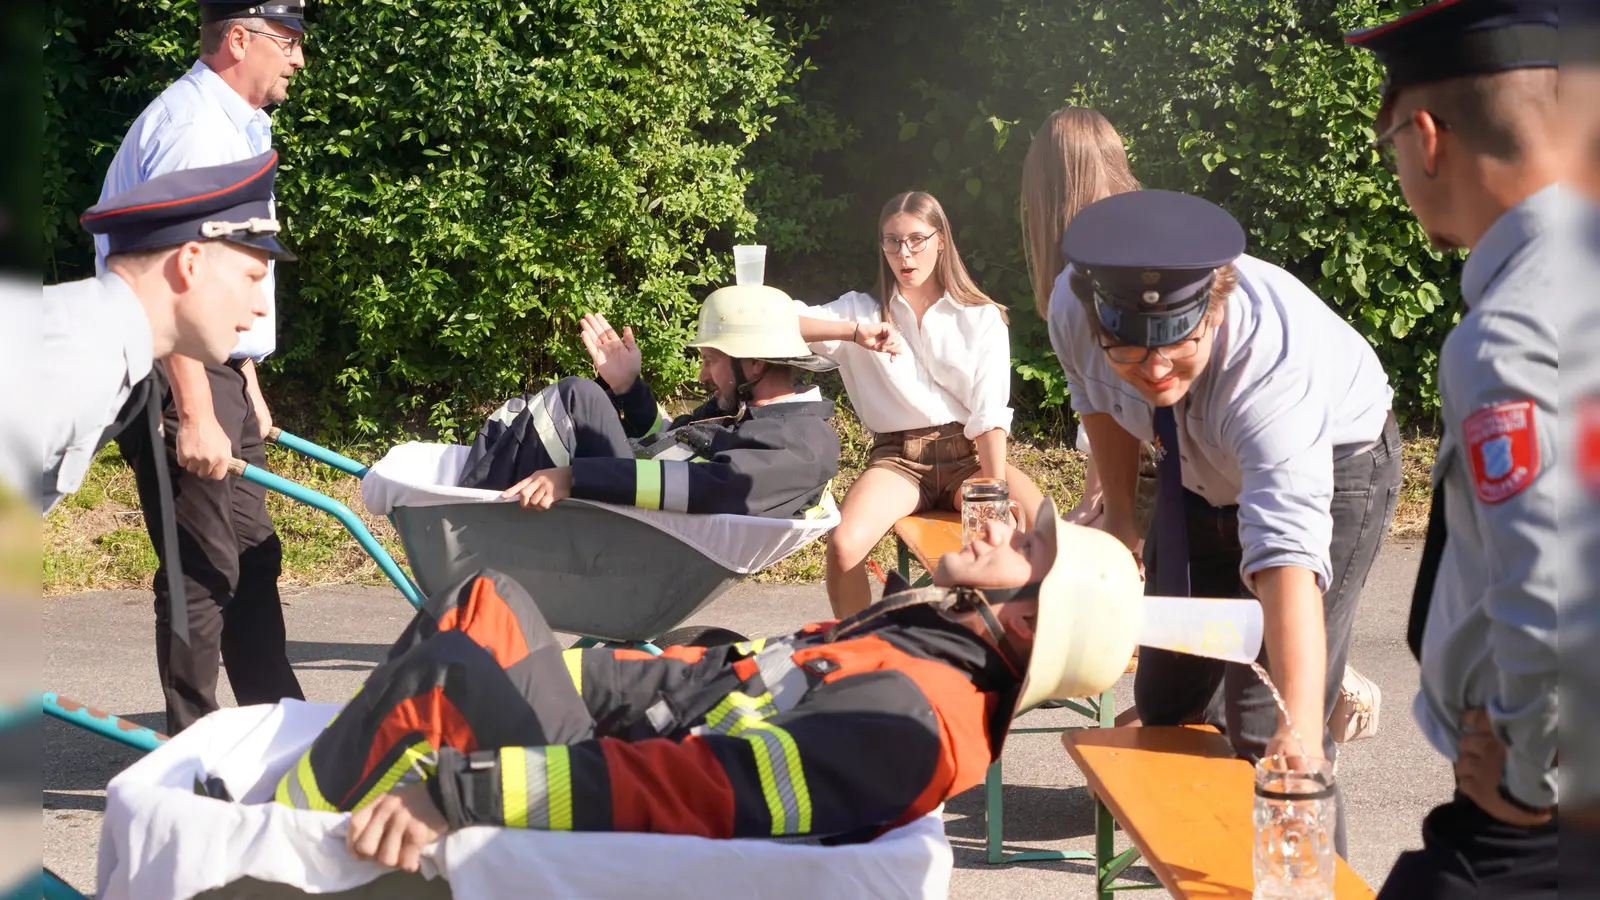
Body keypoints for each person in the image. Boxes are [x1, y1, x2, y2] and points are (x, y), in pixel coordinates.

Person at [267, 498, 1124, 872]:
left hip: (635, 823)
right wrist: (559, 676)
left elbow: (701, 790)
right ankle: (319, 808)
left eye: (1028, 545)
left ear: (1021, 620)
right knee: (483, 604)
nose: (1003, 524)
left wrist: (459, 793)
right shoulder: (922, 637)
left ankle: (268, 851)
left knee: (446, 676)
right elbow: (710, 677)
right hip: (634, 746)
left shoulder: (910, 718)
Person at [1049, 189, 1402, 853]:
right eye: (1128, 348)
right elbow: (1094, 400)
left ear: (1215, 307)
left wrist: (1296, 723)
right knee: (1165, 700)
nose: (1153, 370)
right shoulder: (1074, 305)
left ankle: (1302, 880)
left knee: (1272, 730)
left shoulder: (1270, 366)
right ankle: (1202, 849)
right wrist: (1121, 516)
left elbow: (1285, 558)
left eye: (1176, 344)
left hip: (1339, 465)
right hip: (1193, 471)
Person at [1345, 2, 1560, 896]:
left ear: (1426, 136)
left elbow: (1551, 580)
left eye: (1389, 138)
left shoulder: (1510, 335)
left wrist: (1527, 776)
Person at [96, 0, 309, 734]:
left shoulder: (234, 125)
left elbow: (223, 274)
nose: (298, 60)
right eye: (288, 42)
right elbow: (174, 282)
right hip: (170, 367)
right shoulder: (194, 130)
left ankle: (277, 729)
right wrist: (194, 410)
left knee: (252, 555)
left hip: (214, 368)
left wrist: (245, 377)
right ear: (238, 39)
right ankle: (188, 744)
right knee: (203, 560)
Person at [41, 152, 295, 652]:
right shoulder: (71, 363)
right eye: (250, 278)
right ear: (191, 263)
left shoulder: (106, 358)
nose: (262, 305)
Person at [796, 191, 1045, 617]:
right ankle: (859, 648)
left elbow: (988, 416)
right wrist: (854, 332)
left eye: (916, 240)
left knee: (1045, 531)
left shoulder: (980, 316)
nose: (903, 253)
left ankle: (1034, 648)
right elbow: (774, 321)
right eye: (891, 241)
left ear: (941, 239)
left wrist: (993, 495)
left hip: (970, 459)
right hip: (899, 461)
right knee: (843, 546)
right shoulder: (862, 310)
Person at [459, 285, 841, 520]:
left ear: (754, 363)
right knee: (542, 407)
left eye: (710, 361)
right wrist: (629, 387)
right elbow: (669, 443)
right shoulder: (745, 410)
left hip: (644, 534)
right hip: (643, 522)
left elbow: (716, 487)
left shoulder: (803, 440)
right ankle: (465, 508)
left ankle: (462, 519)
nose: (702, 376)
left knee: (574, 397)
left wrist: (578, 477)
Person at [1021, 106, 1158, 541]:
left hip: (1296, 450)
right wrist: (1103, 505)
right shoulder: (1151, 230)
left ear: (1045, 191)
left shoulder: (1090, 279)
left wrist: (1115, 515)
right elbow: (1106, 402)